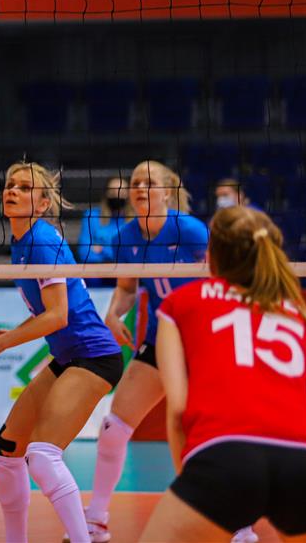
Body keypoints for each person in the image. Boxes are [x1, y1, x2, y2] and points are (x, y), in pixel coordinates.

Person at [0, 163, 124, 543]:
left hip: (94, 357)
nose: (12, 191)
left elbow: (58, 316)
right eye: (10, 185)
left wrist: (1, 344)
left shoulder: (41, 240)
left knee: (42, 454)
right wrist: (11, 333)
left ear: (42, 203)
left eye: (24, 187)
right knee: (6, 451)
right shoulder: (22, 241)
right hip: (68, 357)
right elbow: (47, 312)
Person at [140, 207, 306, 542]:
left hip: (225, 456)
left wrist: (193, 483)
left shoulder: (181, 302)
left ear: (211, 256)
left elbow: (178, 410)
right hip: (301, 460)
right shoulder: (297, 314)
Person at [83, 160, 208, 543]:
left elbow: (220, 282)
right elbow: (126, 287)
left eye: (148, 182)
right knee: (113, 427)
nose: (139, 188)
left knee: (212, 432)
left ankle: (238, 525)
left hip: (202, 342)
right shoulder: (124, 235)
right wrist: (113, 313)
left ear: (167, 191)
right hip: (159, 340)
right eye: (135, 182)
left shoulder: (190, 230)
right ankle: (95, 518)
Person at [77, 177, 131, 264]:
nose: (117, 196)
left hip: (125, 271)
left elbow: (132, 255)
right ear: (106, 194)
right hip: (96, 270)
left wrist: (102, 249)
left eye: (121, 192)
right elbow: (84, 253)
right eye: (112, 192)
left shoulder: (134, 220)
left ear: (128, 196)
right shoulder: (91, 216)